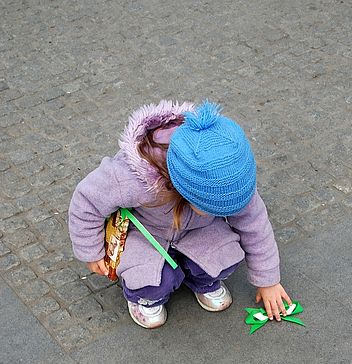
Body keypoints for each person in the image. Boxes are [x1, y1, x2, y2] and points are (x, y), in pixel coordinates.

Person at [68, 99, 292, 329]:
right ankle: (143, 297)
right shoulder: (130, 178)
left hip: (197, 229)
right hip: (146, 232)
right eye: (213, 208)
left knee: (225, 259)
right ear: (185, 189)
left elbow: (254, 223)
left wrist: (268, 281)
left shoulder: (230, 177)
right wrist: (91, 252)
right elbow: (86, 202)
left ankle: (200, 279)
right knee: (153, 283)